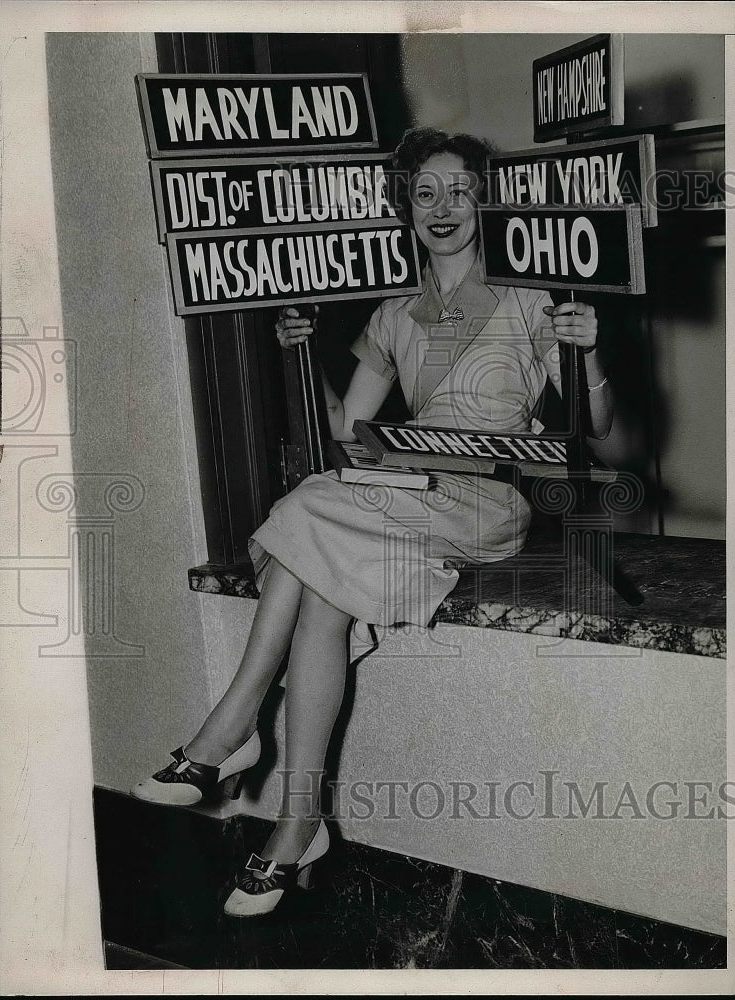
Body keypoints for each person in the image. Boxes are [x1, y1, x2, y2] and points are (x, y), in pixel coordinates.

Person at [132, 127, 613, 917]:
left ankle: (232, 724)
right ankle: (296, 824)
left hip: (486, 500)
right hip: (396, 494)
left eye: (460, 189)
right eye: (425, 193)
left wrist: (589, 358)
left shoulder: (536, 299)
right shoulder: (395, 312)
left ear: (485, 200)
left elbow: (606, 441)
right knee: (318, 584)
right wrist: (307, 353)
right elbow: (349, 435)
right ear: (406, 209)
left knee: (311, 505)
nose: (443, 207)